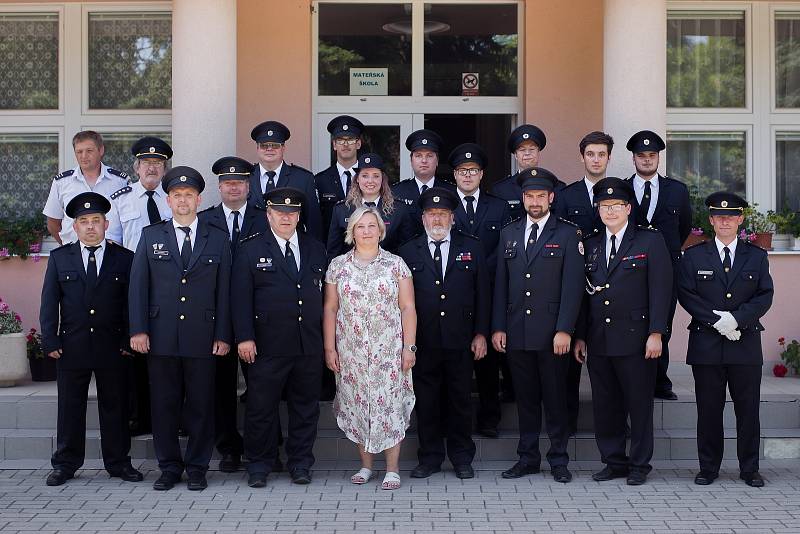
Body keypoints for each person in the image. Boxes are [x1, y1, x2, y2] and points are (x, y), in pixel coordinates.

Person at [129, 166, 232, 491]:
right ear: (168, 200)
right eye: (177, 196)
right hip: (160, 336)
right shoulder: (151, 235)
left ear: (198, 199)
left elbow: (225, 290)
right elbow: (138, 287)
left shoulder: (216, 236)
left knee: (201, 405)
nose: (183, 201)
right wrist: (139, 330)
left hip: (203, 336)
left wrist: (223, 334)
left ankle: (198, 467)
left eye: (189, 195)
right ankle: (169, 467)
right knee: (164, 405)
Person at [574, 177, 672, 486]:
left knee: (638, 404)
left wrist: (657, 333)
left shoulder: (649, 241)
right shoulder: (589, 243)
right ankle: (614, 461)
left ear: (628, 208)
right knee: (606, 404)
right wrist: (579, 335)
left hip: (637, 339)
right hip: (599, 339)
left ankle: (640, 465)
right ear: (598, 209)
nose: (610, 211)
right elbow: (581, 295)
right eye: (604, 206)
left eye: (616, 205)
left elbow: (662, 290)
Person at [39, 192, 141, 486]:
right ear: (75, 226)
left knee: (116, 406)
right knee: (70, 407)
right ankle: (65, 463)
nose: (91, 226)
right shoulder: (60, 258)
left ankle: (119, 462)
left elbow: (130, 303)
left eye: (96, 220)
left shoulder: (124, 259)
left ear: (106, 224)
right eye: (84, 221)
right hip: (72, 346)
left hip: (113, 346)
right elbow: (49, 301)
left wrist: (128, 340)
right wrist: (51, 339)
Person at [491, 168, 584, 483]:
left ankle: (559, 459)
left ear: (551, 198)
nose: (534, 201)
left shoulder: (568, 233)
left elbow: (573, 287)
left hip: (552, 334)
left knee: (555, 400)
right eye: (529, 196)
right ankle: (528, 458)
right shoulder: (509, 232)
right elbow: (500, 286)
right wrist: (498, 327)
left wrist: (565, 330)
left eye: (540, 196)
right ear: (523, 198)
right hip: (517, 332)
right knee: (526, 400)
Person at [232, 187, 327, 488]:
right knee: (261, 407)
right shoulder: (250, 249)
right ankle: (259, 464)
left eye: (292, 213)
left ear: (299, 216)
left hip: (307, 343)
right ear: (269, 214)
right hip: (266, 345)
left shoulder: (315, 248)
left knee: (305, 407)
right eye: (280, 212)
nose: (286, 217)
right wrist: (245, 337)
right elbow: (240, 298)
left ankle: (300, 462)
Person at [678, 192, 774, 487]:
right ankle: (708, 468)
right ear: (710, 220)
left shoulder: (756, 257)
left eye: (731, 216)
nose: (725, 221)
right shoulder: (694, 255)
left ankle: (749, 469)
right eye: (719, 216)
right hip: (707, 344)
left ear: (741, 219)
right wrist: (718, 321)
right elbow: (686, 294)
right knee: (708, 410)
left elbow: (764, 295)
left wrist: (737, 319)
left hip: (744, 344)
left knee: (748, 410)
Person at [398, 187, 489, 480]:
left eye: (443, 214)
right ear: (423, 218)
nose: (437, 219)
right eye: (432, 214)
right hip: (423, 341)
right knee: (427, 401)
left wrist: (480, 334)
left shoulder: (472, 247)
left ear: (452, 217)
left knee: (460, 400)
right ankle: (430, 458)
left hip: (460, 339)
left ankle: (462, 458)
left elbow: (483, 295)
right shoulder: (408, 250)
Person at [323, 206, 417, 490]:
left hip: (388, 350)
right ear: (352, 231)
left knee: (388, 405)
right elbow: (330, 308)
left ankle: (392, 468)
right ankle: (365, 466)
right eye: (360, 226)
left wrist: (409, 347)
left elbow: (408, 306)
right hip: (350, 350)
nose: (366, 231)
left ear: (380, 230)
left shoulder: (396, 264)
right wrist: (330, 348)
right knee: (358, 405)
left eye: (371, 226)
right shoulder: (338, 266)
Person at [198, 156, 266, 474]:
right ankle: (228, 448)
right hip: (217, 315)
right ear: (219, 187)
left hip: (258, 315)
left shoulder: (264, 217)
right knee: (220, 387)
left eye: (239, 182)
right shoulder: (204, 220)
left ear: (249, 187)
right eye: (228, 182)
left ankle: (261, 448)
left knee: (261, 386)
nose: (233, 186)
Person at [107, 135, 174, 437]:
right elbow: (115, 245)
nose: (152, 168)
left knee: (168, 352)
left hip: (169, 286)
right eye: (146, 163)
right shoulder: (121, 199)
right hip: (132, 285)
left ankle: (172, 415)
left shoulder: (174, 198)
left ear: (164, 168)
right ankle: (138, 416)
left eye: (157, 163)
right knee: (134, 352)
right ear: (136, 167)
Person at [553, 131, 614, 436]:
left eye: (601, 154)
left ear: (608, 158)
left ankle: (619, 425)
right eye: (590, 154)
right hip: (577, 283)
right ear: (582, 157)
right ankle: (567, 426)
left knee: (613, 358)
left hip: (613, 284)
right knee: (570, 363)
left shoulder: (621, 194)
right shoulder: (566, 195)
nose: (596, 159)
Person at [447, 143, 510, 438]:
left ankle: (489, 419)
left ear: (482, 174)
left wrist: (481, 270)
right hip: (455, 291)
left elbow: (506, 247)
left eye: (472, 171)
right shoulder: (444, 206)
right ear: (455, 175)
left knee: (487, 361)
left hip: (490, 290)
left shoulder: (498, 206)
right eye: (462, 171)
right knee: (456, 358)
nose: (467, 175)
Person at [625, 130, 692, 401]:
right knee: (633, 323)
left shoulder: (677, 190)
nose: (647, 160)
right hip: (631, 268)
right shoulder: (622, 189)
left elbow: (684, 226)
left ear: (658, 158)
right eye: (642, 155)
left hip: (668, 267)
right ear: (634, 159)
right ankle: (635, 377)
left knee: (662, 323)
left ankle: (659, 381)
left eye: (652, 155)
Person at [43, 130, 128, 245]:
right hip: (73, 254)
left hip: (112, 255)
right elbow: (53, 222)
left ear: (101, 150)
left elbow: (129, 222)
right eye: (79, 152)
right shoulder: (62, 182)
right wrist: (67, 247)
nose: (84, 156)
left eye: (89, 151)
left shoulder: (120, 182)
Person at [327, 153, 416, 259]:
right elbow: (333, 252)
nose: (370, 181)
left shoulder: (399, 210)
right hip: (351, 272)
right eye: (365, 176)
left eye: (376, 176)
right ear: (357, 179)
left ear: (382, 179)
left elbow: (407, 251)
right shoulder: (341, 210)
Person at [247, 120, 323, 240]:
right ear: (257, 148)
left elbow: (313, 224)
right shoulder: (245, 178)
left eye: (275, 145)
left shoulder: (303, 179)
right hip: (251, 251)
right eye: (264, 145)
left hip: (291, 249)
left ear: (283, 148)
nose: (269, 149)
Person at [391, 129, 455, 229]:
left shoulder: (450, 191)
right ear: (411, 160)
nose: (424, 160)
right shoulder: (396, 192)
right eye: (418, 156)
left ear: (437, 160)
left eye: (429, 156)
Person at [315, 115, 364, 242]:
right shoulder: (320, 180)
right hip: (331, 249)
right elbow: (316, 220)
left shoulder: (370, 178)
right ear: (334, 145)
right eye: (340, 140)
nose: (345, 144)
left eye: (350, 139)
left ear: (358, 144)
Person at [492, 124, 549, 223]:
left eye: (532, 149)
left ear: (538, 152)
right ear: (515, 155)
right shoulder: (500, 190)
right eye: (522, 150)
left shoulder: (555, 187)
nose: (527, 153)